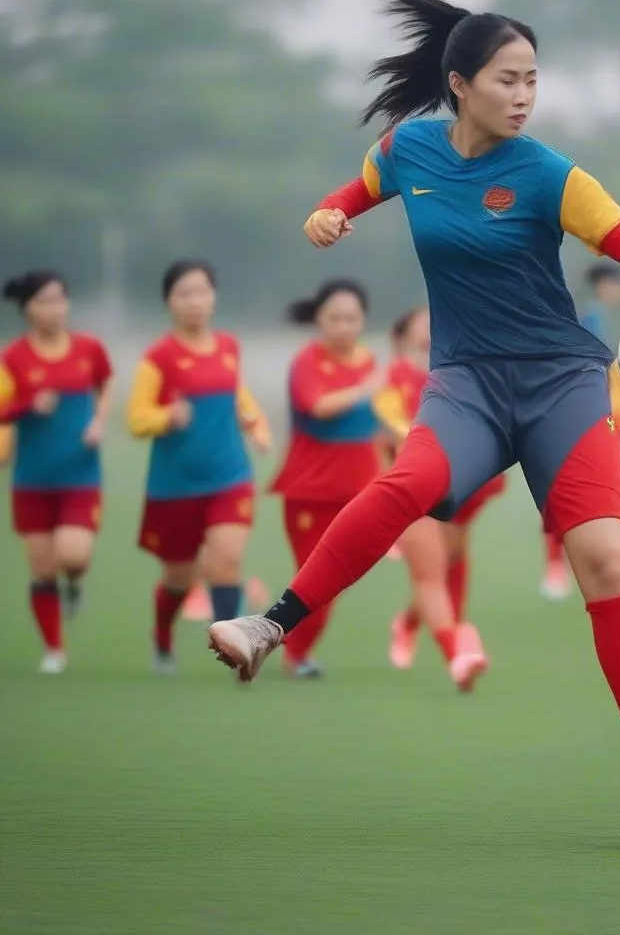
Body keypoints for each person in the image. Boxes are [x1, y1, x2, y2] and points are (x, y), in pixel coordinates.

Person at [209, 0, 620, 825]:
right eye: (509, 79)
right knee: (407, 484)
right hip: (467, 382)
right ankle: (271, 627)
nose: (525, 95)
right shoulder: (408, 150)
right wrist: (328, 214)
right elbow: (351, 192)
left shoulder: (548, 171)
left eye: (533, 80)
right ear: (460, 84)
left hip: (560, 382)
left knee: (605, 561)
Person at [128, 260, 270, 674]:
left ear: (214, 296)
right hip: (175, 485)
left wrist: (255, 424)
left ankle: (235, 650)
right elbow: (136, 419)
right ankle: (162, 638)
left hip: (230, 476)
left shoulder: (228, 346)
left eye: (202, 291)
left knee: (226, 560)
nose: (195, 301)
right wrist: (165, 418)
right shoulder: (159, 358)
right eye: (184, 294)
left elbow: (236, 394)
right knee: (179, 577)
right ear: (169, 302)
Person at [267, 279, 383, 678]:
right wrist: (363, 390)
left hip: (358, 492)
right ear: (319, 319)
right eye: (334, 318)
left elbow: (380, 422)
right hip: (309, 490)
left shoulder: (369, 361)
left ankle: (287, 648)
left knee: (333, 582)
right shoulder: (307, 361)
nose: (344, 326)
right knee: (313, 579)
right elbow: (317, 406)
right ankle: (289, 653)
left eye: (351, 318)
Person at [375, 306, 493, 690]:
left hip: (456, 483)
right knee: (431, 572)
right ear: (405, 331)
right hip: (412, 483)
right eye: (423, 321)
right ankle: (456, 655)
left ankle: (407, 624)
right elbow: (393, 426)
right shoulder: (393, 376)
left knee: (450, 562)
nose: (432, 326)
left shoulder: (457, 370)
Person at [1, 271, 112, 673]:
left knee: (74, 556)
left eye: (59, 300)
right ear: (27, 307)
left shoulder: (88, 348)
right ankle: (54, 649)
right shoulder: (13, 358)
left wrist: (99, 422)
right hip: (31, 480)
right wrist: (26, 405)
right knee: (42, 567)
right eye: (44, 301)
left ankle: (75, 585)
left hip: (80, 476)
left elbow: (106, 383)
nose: (54, 309)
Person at [542, 264, 620, 600]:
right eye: (616, 284)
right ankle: (554, 563)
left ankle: (615, 563)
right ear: (603, 287)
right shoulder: (590, 320)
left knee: (617, 495)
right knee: (567, 491)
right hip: (589, 417)